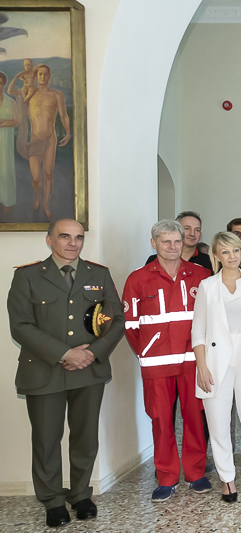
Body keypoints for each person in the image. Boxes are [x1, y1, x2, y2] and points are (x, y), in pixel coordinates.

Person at [7, 219, 124, 528]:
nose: (73, 243)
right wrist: (64, 353)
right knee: (46, 439)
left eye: (79, 237)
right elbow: (20, 325)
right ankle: (52, 500)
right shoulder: (28, 276)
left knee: (85, 436)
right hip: (44, 370)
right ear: (49, 240)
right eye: (65, 237)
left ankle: (81, 494)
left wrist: (92, 353)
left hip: (89, 370)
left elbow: (116, 319)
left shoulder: (98, 274)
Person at [123, 219, 212, 502]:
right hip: (156, 364)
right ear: (154, 244)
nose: (173, 247)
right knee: (161, 421)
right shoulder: (137, 279)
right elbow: (131, 325)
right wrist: (148, 351)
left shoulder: (201, 275)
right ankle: (166, 477)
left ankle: (196, 473)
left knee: (195, 419)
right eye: (166, 242)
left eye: (177, 241)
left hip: (192, 363)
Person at [191, 232, 241, 503]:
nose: (232, 256)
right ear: (216, 256)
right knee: (218, 423)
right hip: (215, 361)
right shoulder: (207, 286)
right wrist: (201, 366)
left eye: (236, 250)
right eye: (225, 252)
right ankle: (227, 478)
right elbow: (198, 329)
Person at [16, 64, 70, 219]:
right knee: (35, 178)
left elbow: (64, 115)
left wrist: (67, 132)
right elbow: (16, 100)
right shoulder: (30, 94)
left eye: (45, 74)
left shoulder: (57, 94)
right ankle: (37, 197)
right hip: (35, 140)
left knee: (47, 173)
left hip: (49, 140)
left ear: (49, 75)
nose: (42, 77)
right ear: (36, 76)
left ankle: (46, 204)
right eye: (40, 74)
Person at [146, 211, 212, 272]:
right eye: (187, 228)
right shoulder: (154, 259)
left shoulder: (209, 261)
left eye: (197, 230)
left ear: (200, 235)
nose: (192, 234)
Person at [0, 71, 18, 213]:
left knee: (6, 170)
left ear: (4, 84)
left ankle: (7, 201)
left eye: (0, 83)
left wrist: (3, 123)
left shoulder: (11, 102)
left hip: (5, 141)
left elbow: (16, 121)